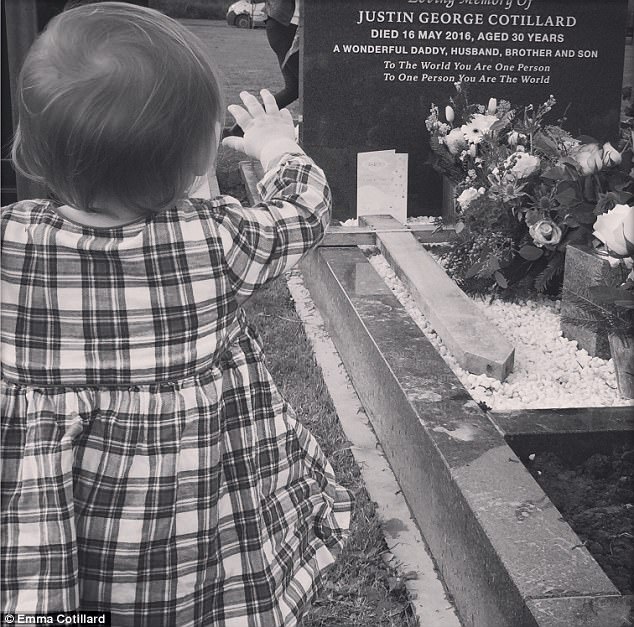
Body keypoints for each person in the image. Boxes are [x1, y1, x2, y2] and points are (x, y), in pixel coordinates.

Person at [1, 3, 352, 626]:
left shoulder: (9, 242)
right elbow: (306, 210)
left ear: (29, 149)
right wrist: (277, 145)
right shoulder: (214, 240)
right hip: (183, 529)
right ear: (199, 159)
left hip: (50, 535)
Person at [225, 0, 300, 138]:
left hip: (286, 28)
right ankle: (321, 130)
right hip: (284, 29)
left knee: (294, 89)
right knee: (310, 84)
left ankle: (239, 129)